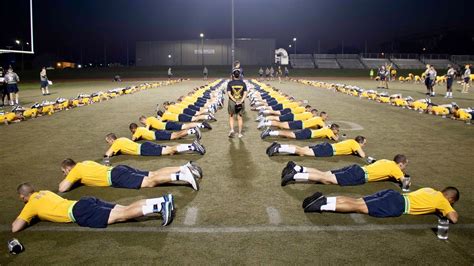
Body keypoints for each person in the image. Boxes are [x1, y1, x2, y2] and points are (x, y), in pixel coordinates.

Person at [11, 183, 174, 232]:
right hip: (84, 202)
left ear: (22, 197)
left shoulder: (30, 204)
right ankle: (162, 199)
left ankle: (160, 208)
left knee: (123, 215)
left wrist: (27, 214)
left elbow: (15, 228)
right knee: (125, 208)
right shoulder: (45, 191)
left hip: (79, 211)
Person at [302, 186, 459, 224]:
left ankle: (325, 199)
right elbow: (453, 218)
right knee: (359, 207)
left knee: (357, 201)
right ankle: (320, 206)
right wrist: (449, 208)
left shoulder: (430, 189)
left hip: (393, 194)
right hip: (398, 204)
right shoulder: (444, 202)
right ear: (451, 199)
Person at [58, 159, 201, 192]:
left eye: (64, 172)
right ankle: (183, 167)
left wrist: (68, 177)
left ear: (68, 168)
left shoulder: (75, 171)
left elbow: (62, 188)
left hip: (115, 177)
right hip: (118, 169)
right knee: (153, 173)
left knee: (150, 181)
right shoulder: (85, 163)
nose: (64, 175)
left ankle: (183, 176)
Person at [281, 154, 408, 186]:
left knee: (324, 174)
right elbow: (405, 182)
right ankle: (294, 175)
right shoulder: (396, 169)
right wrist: (404, 177)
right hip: (359, 174)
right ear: (400, 164)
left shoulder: (386, 161)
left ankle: (297, 168)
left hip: (356, 168)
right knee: (326, 180)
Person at [104, 133, 205, 157]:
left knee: (168, 150)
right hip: (144, 145)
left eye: (108, 142)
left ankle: (192, 146)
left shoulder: (116, 143)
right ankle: (191, 145)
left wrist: (110, 151)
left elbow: (107, 154)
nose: (108, 144)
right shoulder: (122, 138)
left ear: (111, 140)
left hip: (144, 150)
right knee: (169, 149)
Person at [266, 135, 367, 158]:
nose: (364, 145)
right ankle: (278, 149)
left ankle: (279, 145)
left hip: (327, 146)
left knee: (302, 150)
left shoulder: (351, 141)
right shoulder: (355, 144)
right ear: (360, 142)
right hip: (328, 150)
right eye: (364, 143)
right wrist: (359, 149)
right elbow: (362, 155)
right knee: (303, 152)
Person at [227, 68, 248, 138]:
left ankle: (232, 130)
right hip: (240, 101)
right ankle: (239, 133)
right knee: (240, 117)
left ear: (233, 75)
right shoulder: (243, 83)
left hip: (232, 102)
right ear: (239, 75)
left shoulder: (230, 83)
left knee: (231, 116)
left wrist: (234, 100)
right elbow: (245, 93)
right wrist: (241, 101)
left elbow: (229, 93)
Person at [261, 123, 340, 141]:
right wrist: (337, 135)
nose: (338, 131)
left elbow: (327, 127)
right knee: (290, 135)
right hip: (308, 134)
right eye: (337, 130)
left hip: (308, 131)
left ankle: (271, 132)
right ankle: (270, 132)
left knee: (290, 135)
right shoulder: (330, 132)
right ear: (334, 129)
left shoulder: (327, 129)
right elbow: (336, 139)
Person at [130, 122, 200, 141]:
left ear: (133, 129)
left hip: (157, 135)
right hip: (157, 133)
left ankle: (192, 130)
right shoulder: (141, 128)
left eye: (131, 131)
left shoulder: (137, 131)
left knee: (174, 136)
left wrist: (133, 135)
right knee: (175, 134)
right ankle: (191, 130)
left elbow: (133, 139)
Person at [139, 115, 211, 131]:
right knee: (184, 126)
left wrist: (144, 128)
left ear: (143, 120)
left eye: (142, 122)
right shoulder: (151, 118)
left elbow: (147, 129)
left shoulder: (148, 121)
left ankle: (201, 124)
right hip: (167, 124)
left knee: (184, 126)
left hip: (167, 126)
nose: (143, 123)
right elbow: (158, 121)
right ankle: (201, 124)